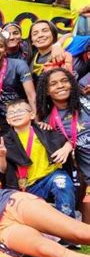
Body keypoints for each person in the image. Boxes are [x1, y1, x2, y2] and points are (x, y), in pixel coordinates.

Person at [0, 99, 76, 219]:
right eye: (11, 113)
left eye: (20, 111)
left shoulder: (44, 130)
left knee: (62, 183)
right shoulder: (5, 141)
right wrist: (2, 155)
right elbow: (3, 170)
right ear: (8, 120)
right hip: (27, 186)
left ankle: (68, 225)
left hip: (51, 176)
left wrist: (67, 148)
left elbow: (69, 140)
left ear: (31, 115)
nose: (15, 114)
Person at [36, 68, 90, 222]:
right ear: (47, 91)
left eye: (64, 81)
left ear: (72, 84)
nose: (60, 85)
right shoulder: (49, 122)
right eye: (53, 84)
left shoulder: (87, 102)